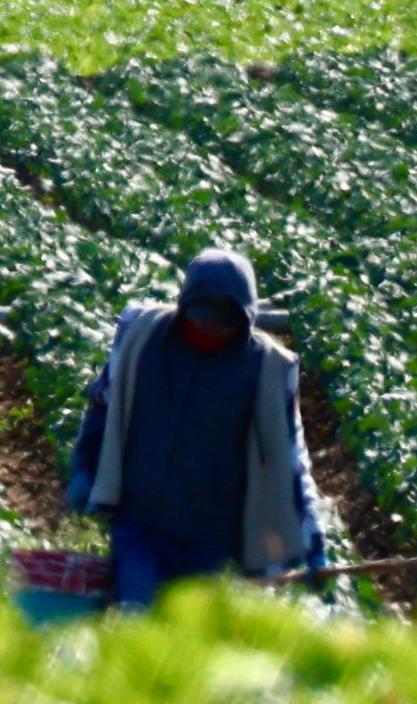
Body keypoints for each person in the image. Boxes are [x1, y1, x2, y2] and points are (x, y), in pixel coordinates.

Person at [65, 248, 328, 607]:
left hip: (209, 541)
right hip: (140, 524)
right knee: (135, 615)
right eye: (200, 320)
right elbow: (103, 406)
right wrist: (84, 466)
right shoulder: (143, 338)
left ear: (244, 321)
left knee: (182, 630)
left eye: (224, 324)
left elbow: (291, 460)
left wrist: (312, 541)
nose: (210, 331)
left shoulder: (265, 369)